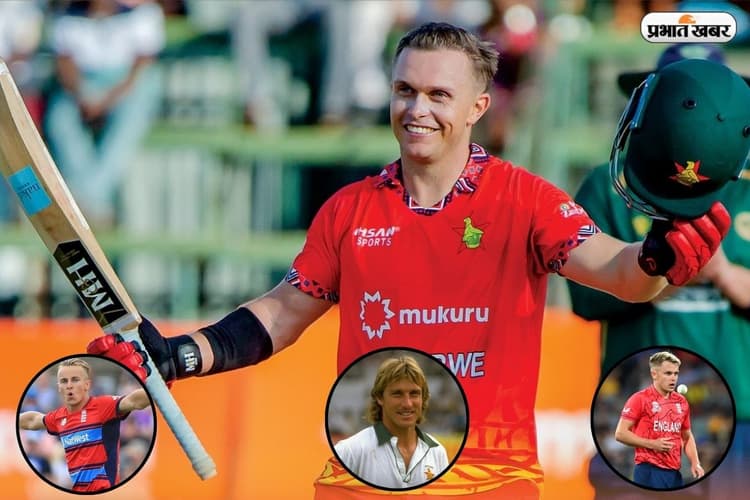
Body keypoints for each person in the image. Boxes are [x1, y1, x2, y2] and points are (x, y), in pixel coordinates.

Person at [88, 23, 738, 499]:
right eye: (404, 90)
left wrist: (658, 256)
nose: (416, 109)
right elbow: (281, 314)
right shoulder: (349, 209)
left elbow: (617, 272)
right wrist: (180, 355)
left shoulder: (526, 200)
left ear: (477, 107)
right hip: (363, 478)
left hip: (488, 480)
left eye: (437, 94)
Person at [567, 42, 750, 500]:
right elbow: (585, 298)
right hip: (637, 412)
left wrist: (722, 272)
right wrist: (661, 273)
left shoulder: (747, 188)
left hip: (740, 415)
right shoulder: (608, 184)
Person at [43, 0, 165, 226]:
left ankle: (86, 200)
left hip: (125, 88)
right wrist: (84, 95)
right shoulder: (67, 14)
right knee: (59, 119)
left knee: (131, 118)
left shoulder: (141, 12)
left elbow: (142, 65)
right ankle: (92, 204)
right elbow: (64, 63)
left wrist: (107, 100)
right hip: (83, 86)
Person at [18, 358, 151, 492]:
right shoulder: (58, 417)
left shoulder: (103, 406)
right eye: (64, 381)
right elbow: (33, 420)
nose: (69, 385)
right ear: (59, 387)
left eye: (75, 380)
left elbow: (133, 401)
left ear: (87, 384)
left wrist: (155, 389)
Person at [334, 355, 449, 489]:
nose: (407, 404)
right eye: (397, 394)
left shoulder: (437, 452)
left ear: (423, 398)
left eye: (414, 394)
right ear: (379, 397)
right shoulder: (349, 451)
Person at [613, 351, 703, 489]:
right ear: (654, 374)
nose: (673, 378)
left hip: (674, 472)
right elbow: (620, 434)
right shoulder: (640, 399)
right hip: (648, 470)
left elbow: (686, 436)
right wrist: (652, 444)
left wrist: (695, 462)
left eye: (676, 373)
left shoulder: (682, 402)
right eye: (668, 373)